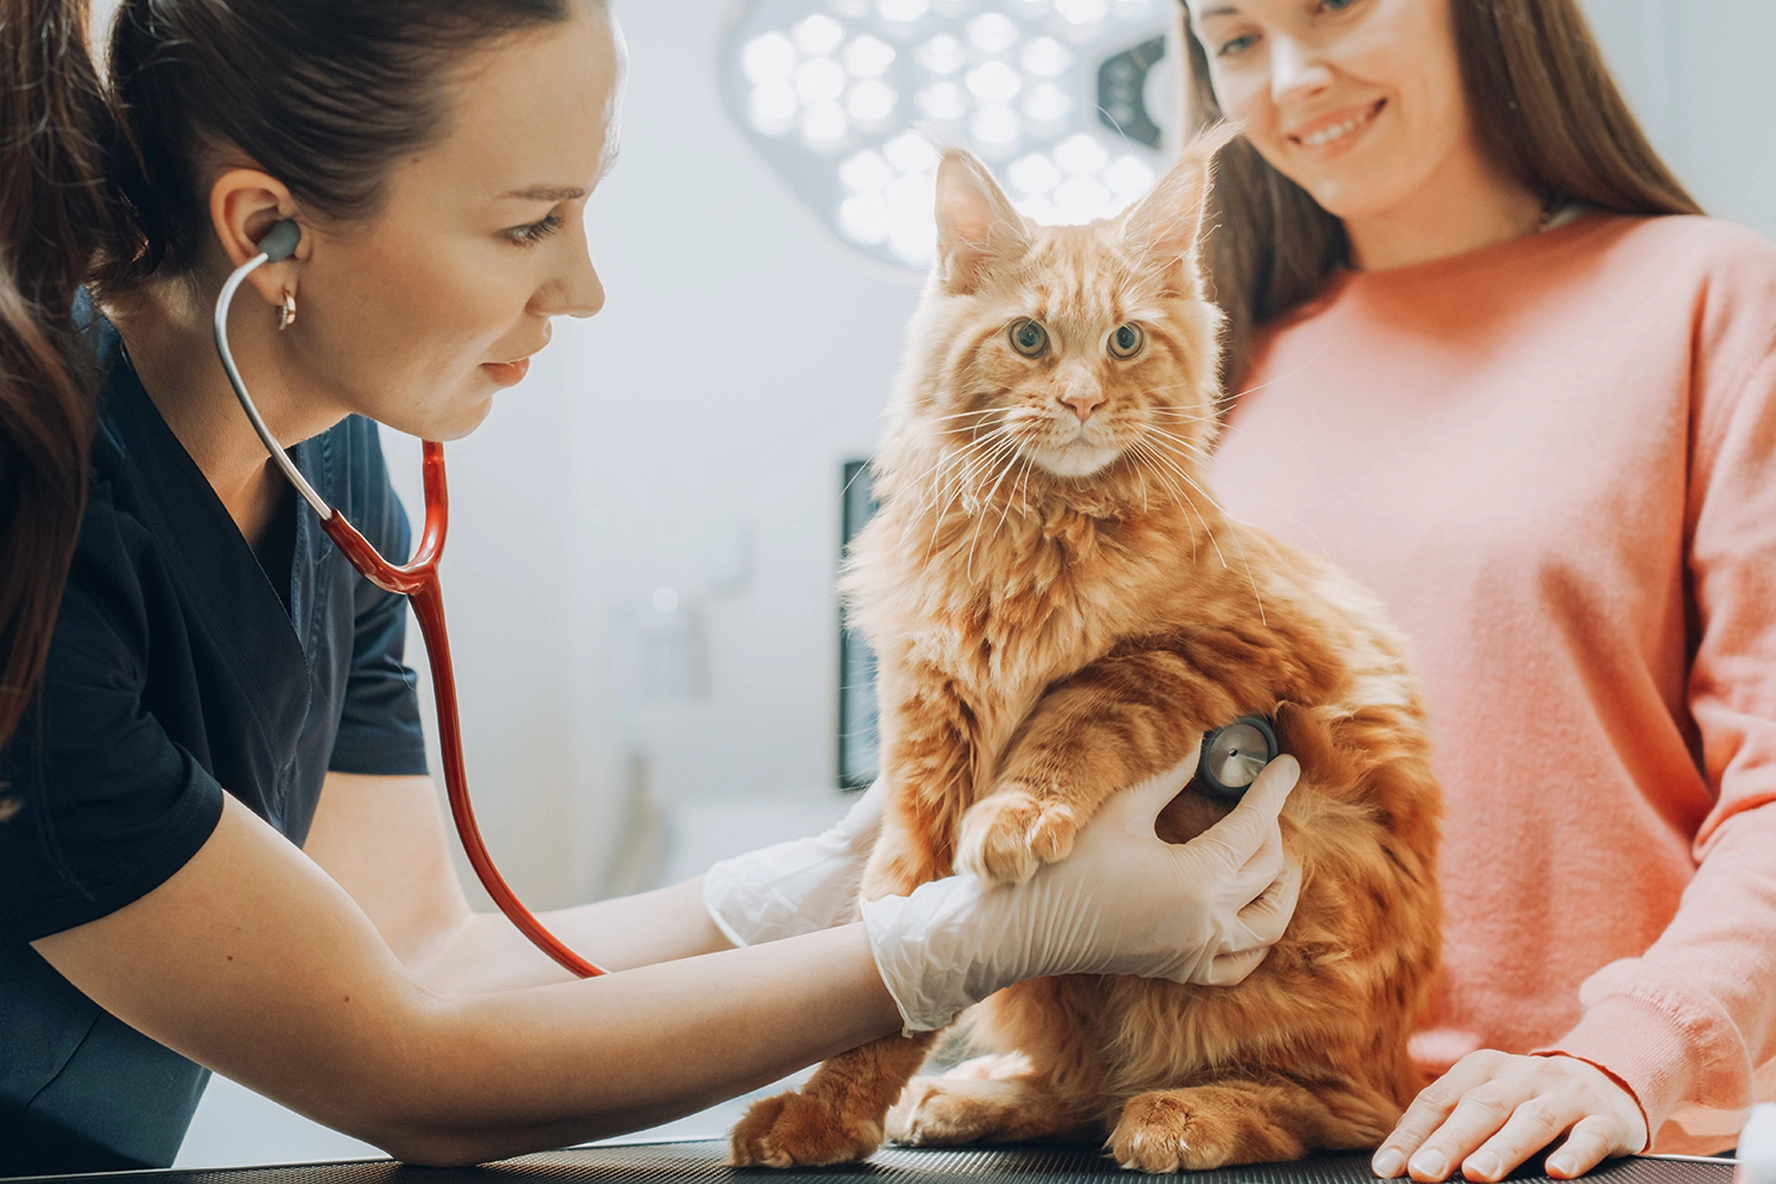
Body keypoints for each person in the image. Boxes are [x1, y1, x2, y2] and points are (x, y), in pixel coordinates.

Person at [0, 0, 1308, 1175]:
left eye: (585, 209)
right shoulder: (30, 514)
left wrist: (828, 881)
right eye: (528, 223)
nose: (585, 288)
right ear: (265, 228)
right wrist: (955, 947)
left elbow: (426, 959)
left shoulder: (328, 462)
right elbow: (408, 1067)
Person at [1177, 0, 1776, 1180]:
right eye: (1237, 38)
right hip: (1239, 1127)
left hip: (1572, 1135)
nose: (1292, 77)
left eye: (1333, 4)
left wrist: (1628, 1051)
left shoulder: (1707, 293)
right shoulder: (1221, 369)